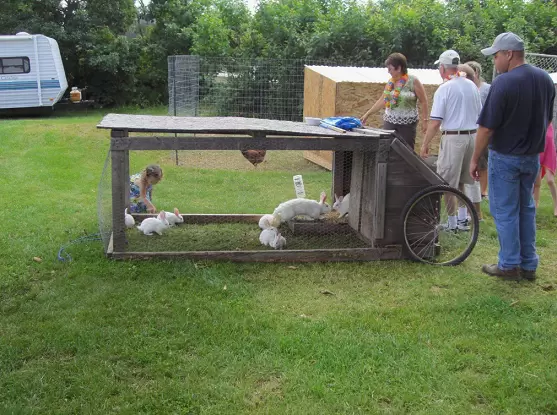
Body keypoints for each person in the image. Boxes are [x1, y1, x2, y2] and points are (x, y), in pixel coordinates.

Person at [470, 32, 555, 281]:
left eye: (496, 55)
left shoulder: (504, 83)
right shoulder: (545, 80)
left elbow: (486, 127)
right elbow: (547, 119)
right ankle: (529, 265)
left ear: (509, 54)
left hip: (506, 156)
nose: (494, 61)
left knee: (505, 211)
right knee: (526, 209)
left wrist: (475, 158)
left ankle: (508, 265)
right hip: (531, 157)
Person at [420, 50, 482, 231]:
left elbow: (435, 122)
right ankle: (462, 219)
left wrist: (425, 143)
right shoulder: (471, 86)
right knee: (462, 181)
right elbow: (479, 114)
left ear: (442, 68)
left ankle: (452, 222)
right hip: (472, 136)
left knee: (446, 182)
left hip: (454, 138)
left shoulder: (445, 88)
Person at [360, 53, 429, 150]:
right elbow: (383, 100)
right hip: (390, 121)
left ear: (399, 68)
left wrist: (425, 121)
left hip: (407, 123)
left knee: (406, 150)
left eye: (390, 69)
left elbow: (424, 101)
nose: (388, 72)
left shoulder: (413, 81)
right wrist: (368, 114)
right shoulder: (390, 82)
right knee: (387, 148)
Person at [458, 63, 483, 221]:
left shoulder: (472, 91)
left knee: (471, 177)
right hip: (472, 135)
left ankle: (476, 213)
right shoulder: (471, 91)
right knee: (467, 178)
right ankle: (469, 214)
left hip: (471, 135)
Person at [466, 61, 491, 199]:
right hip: (468, 128)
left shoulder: (486, 88)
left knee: (482, 161)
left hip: (482, 128)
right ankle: (470, 190)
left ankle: (483, 190)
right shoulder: (465, 88)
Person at [533, 122, 557, 215]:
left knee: (550, 180)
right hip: (538, 149)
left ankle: (556, 205)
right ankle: (535, 205)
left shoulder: (548, 123)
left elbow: (550, 138)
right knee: (537, 181)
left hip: (549, 151)